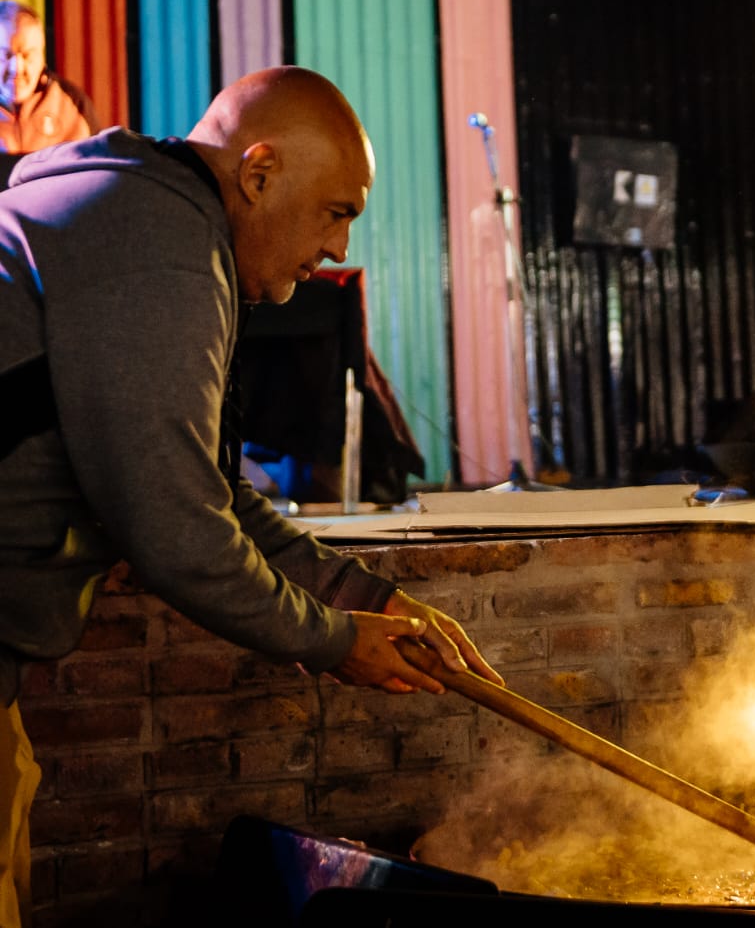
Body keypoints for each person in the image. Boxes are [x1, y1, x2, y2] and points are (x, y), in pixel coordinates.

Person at [0, 66, 501, 928]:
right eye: (337, 211)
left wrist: (369, 599)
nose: (340, 247)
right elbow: (176, 532)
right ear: (259, 172)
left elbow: (210, 491)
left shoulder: (151, 215)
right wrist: (338, 640)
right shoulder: (159, 246)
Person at [0, 1, 99, 156]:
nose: (17, 68)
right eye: (4, 56)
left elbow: (97, 173)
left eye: (28, 55)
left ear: (42, 56)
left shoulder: (74, 105)